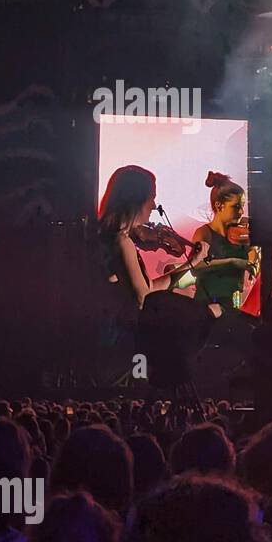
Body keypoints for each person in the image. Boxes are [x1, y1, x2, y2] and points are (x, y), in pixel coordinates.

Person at [98, 166, 221, 396]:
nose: (154, 206)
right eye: (152, 198)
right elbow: (144, 299)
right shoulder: (121, 242)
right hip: (129, 333)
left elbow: (149, 288)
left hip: (124, 329)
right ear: (137, 200)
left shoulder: (111, 237)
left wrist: (189, 265)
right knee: (210, 312)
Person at [190, 172, 258, 311]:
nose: (241, 212)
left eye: (242, 206)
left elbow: (253, 253)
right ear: (219, 205)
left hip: (230, 306)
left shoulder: (242, 234)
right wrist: (231, 262)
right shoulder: (204, 233)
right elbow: (195, 267)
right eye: (236, 206)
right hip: (205, 306)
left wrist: (254, 258)